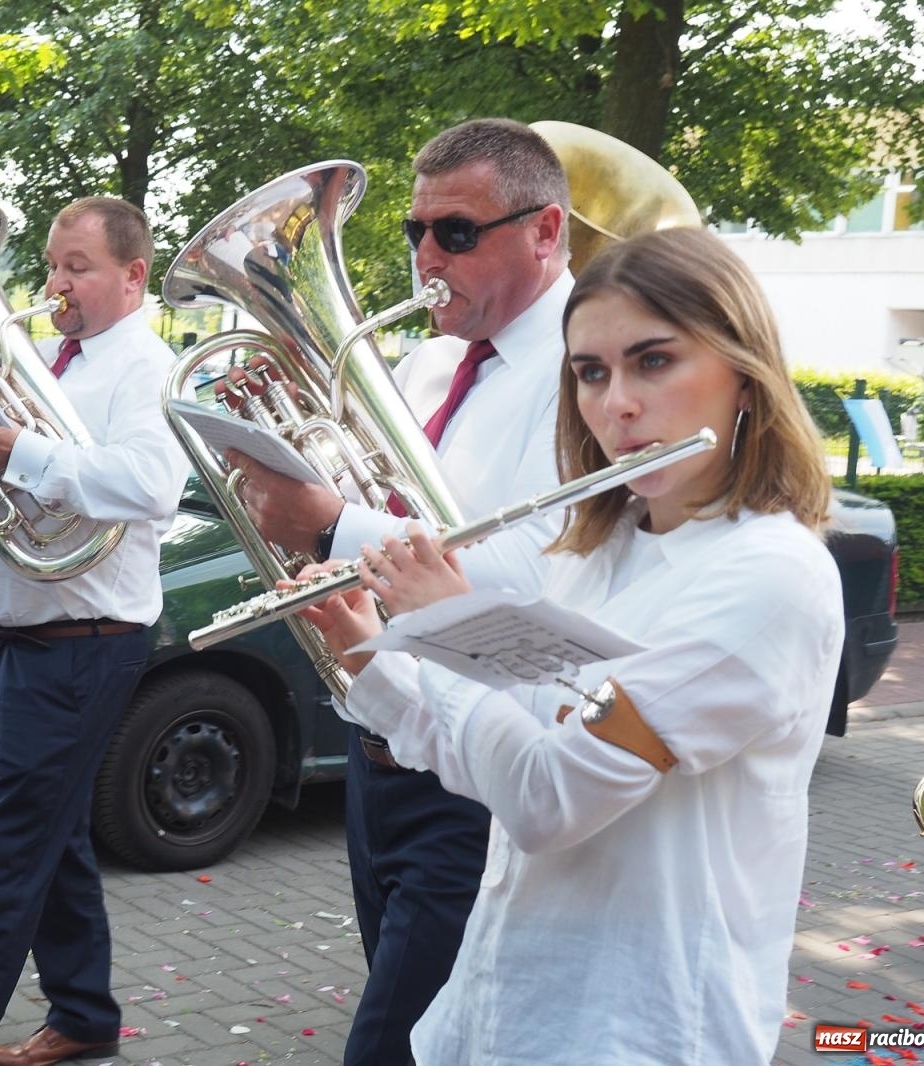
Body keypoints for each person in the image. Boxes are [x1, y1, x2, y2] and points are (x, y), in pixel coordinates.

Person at [308, 226, 843, 1063]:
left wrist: (448, 628)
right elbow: (494, 744)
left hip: (636, 1026)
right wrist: (368, 651)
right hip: (501, 1008)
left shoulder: (769, 580)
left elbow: (549, 796)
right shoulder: (596, 551)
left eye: (654, 361)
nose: (615, 404)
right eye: (591, 373)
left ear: (744, 376)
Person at [223, 118, 572, 1064]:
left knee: (391, 1048)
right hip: (384, 730)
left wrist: (332, 522)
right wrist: (272, 443)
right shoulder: (426, 358)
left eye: (455, 232)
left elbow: (537, 574)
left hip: (485, 761)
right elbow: (387, 505)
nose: (426, 256)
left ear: (546, 233)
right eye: (415, 231)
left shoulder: (588, 369)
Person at [0, 198, 190, 1066]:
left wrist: (14, 446)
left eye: (80, 267)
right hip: (16, 635)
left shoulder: (145, 365)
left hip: (79, 643)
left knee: (8, 861)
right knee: (52, 838)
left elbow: (149, 487)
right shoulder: (46, 361)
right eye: (54, 266)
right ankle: (86, 1016)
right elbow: (9, 469)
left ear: (133, 276)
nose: (56, 284)